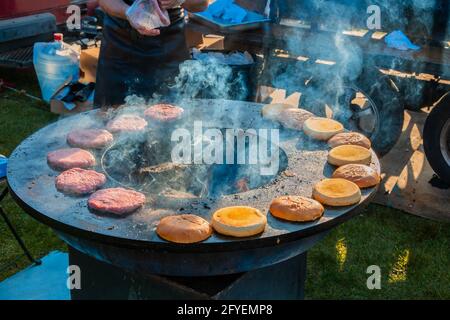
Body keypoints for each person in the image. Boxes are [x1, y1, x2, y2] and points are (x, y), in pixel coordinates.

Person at [95, 0, 209, 107]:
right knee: (109, 116)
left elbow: (202, 4)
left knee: (174, 115)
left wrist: (181, 0)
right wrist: (129, 13)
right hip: (119, 45)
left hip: (169, 46)